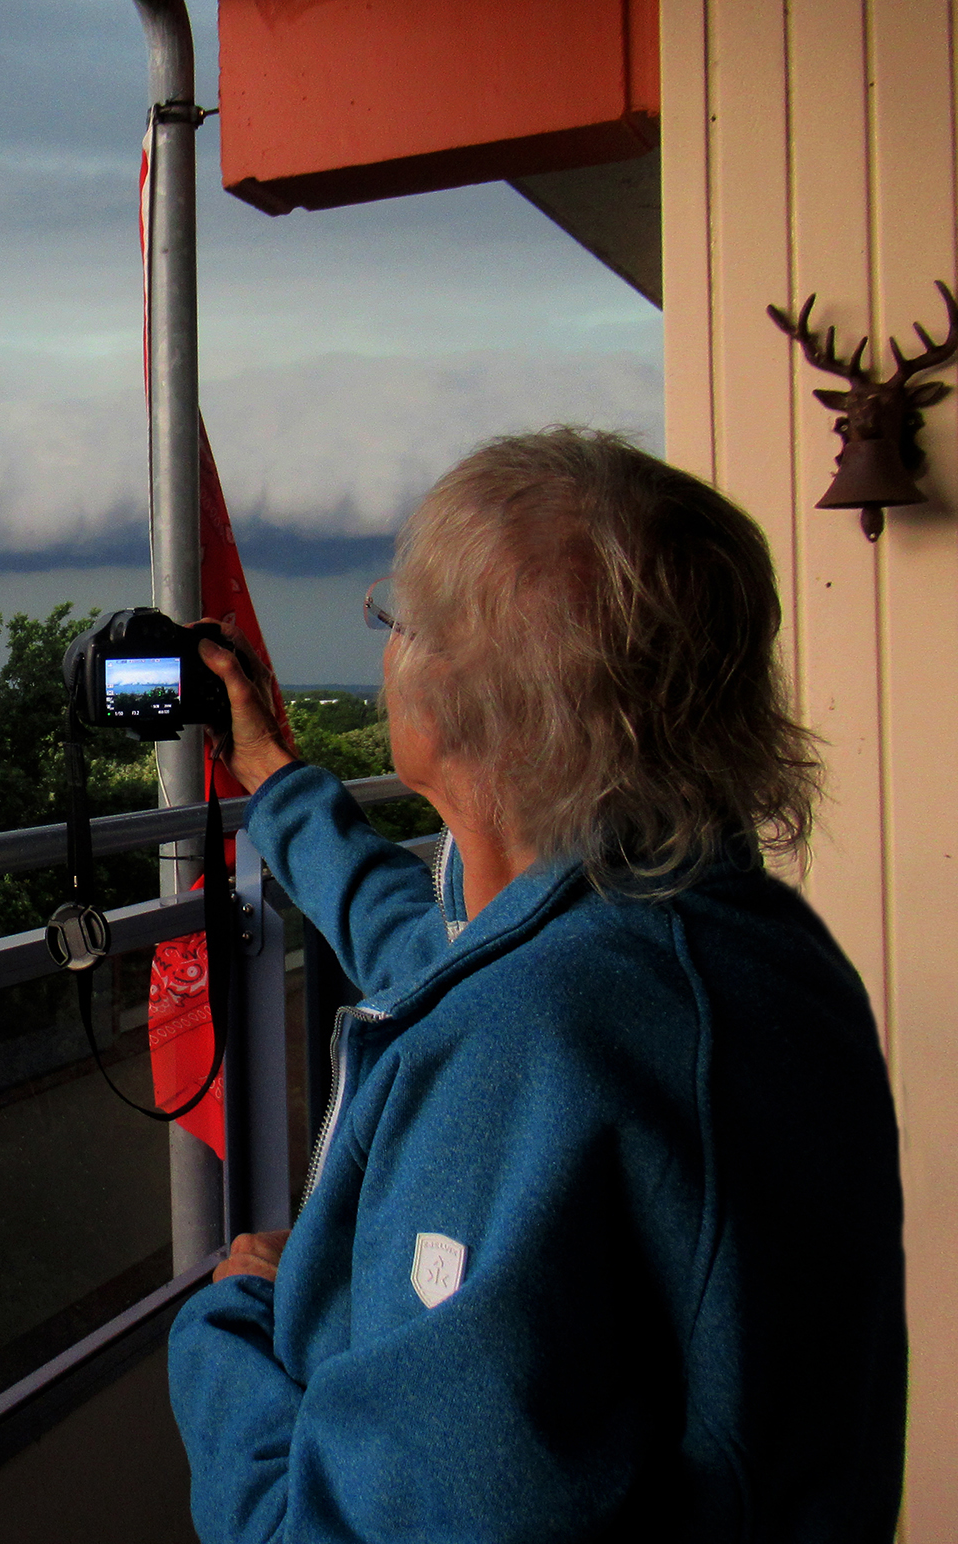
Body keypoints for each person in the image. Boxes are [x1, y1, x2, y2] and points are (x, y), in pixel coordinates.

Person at [170, 428, 905, 1541]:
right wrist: (275, 777)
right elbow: (442, 958)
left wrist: (227, 1329)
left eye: (397, 621)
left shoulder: (533, 1046)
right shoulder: (732, 944)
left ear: (471, 704)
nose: (388, 646)